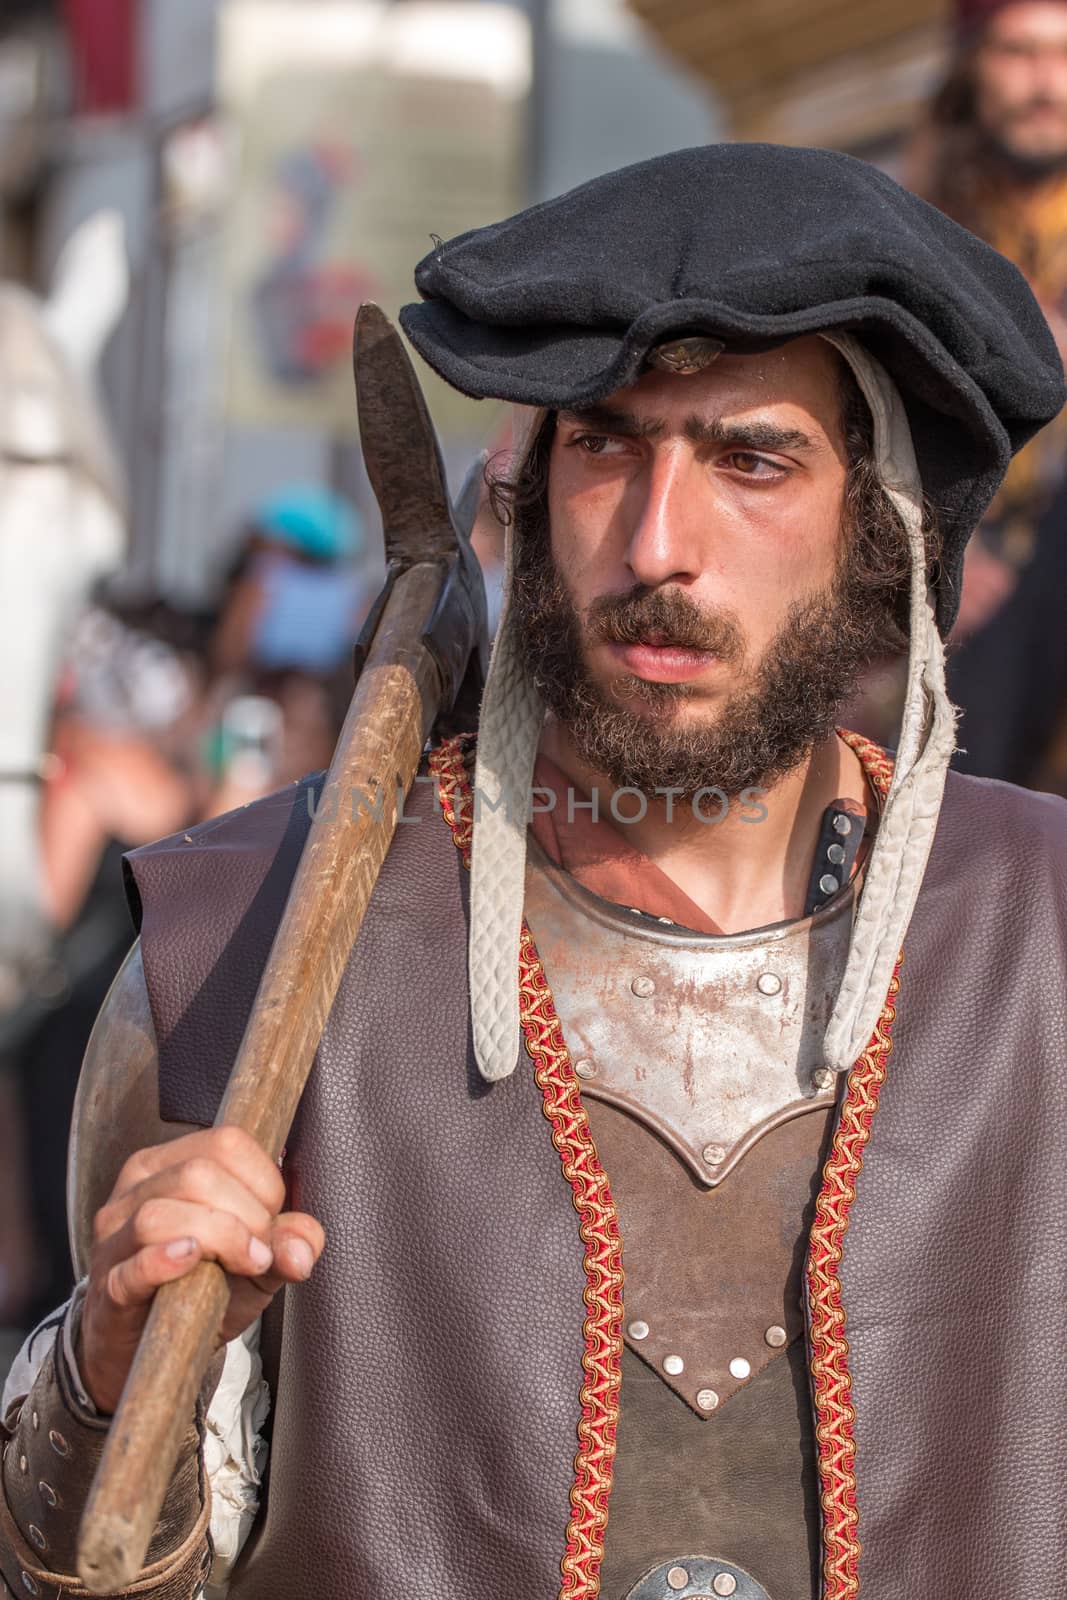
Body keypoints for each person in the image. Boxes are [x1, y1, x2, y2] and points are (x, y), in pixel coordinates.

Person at [3, 144, 1067, 1600]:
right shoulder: (227, 963)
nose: (654, 544)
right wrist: (102, 1383)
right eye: (608, 445)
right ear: (532, 489)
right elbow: (98, 1572)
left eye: (749, 459)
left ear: (876, 536)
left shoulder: (1043, 941)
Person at [906, 0, 1067, 784]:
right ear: (971, 66)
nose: (1047, 82)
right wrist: (942, 558)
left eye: (1064, 55)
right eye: (1019, 52)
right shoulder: (917, 220)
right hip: (962, 563)